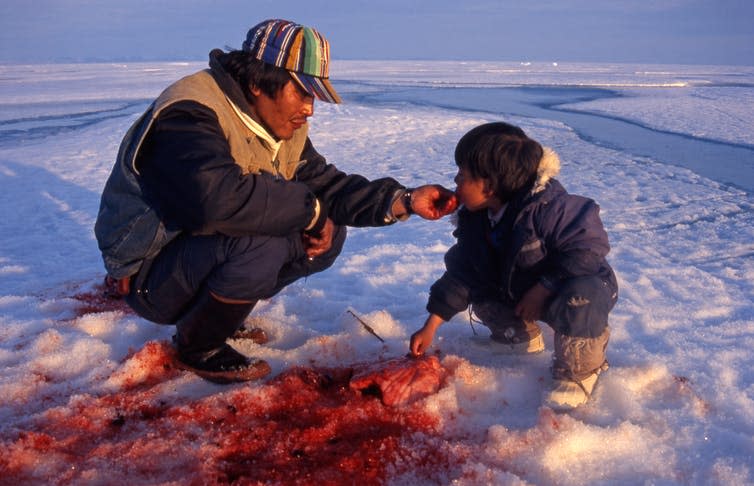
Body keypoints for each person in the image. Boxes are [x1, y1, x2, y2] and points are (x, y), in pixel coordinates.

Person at [94, 19, 456, 384]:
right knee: (261, 241)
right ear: (257, 82)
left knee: (327, 228)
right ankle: (197, 345)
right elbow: (215, 202)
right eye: (302, 92)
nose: (310, 109)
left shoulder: (277, 125)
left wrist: (404, 201)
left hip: (195, 257)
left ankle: (218, 316)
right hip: (150, 274)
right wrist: (309, 211)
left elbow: (323, 185)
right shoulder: (190, 114)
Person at [409, 122, 618, 410]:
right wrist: (431, 325)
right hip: (520, 288)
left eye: (463, 175)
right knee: (480, 282)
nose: (455, 180)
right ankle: (516, 335)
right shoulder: (478, 219)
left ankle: (579, 371)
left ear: (490, 186)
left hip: (569, 289)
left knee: (583, 294)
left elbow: (588, 250)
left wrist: (544, 287)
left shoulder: (549, 209)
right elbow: (462, 274)